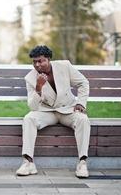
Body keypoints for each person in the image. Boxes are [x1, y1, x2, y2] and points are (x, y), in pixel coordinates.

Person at [16, 45, 91, 178]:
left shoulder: (64, 66)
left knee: (83, 119)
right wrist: (38, 87)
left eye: (41, 61)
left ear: (49, 59)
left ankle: (82, 162)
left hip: (68, 109)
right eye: (34, 62)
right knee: (29, 119)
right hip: (47, 112)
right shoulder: (30, 78)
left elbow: (83, 83)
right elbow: (32, 107)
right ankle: (28, 162)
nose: (37, 65)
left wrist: (81, 103)